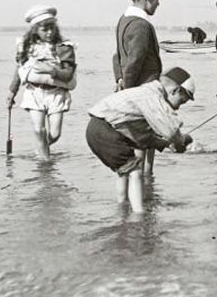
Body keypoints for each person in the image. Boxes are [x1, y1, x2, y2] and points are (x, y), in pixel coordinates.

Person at [86, 67, 202, 212]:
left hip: (98, 128)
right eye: (181, 102)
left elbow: (144, 137)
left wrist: (167, 144)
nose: (178, 108)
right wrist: (179, 143)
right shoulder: (153, 97)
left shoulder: (148, 91)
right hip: (105, 131)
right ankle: (138, 215)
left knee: (124, 172)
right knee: (134, 171)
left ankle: (122, 206)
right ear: (175, 91)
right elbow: (170, 129)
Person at [6, 6, 77, 158]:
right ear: (35, 30)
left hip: (56, 94)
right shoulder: (27, 47)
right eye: (45, 29)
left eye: (52, 28)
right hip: (34, 92)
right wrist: (12, 92)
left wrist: (51, 70)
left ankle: (41, 152)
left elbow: (68, 74)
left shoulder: (63, 47)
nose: (49, 33)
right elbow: (20, 71)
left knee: (55, 134)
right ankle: (44, 166)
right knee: (39, 130)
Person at [112, 0, 165, 173]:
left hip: (133, 92)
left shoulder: (123, 20)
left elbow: (117, 56)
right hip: (142, 95)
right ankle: (146, 188)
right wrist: (128, 92)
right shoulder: (141, 25)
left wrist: (120, 79)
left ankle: (147, 189)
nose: (159, 4)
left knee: (142, 145)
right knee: (143, 148)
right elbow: (134, 63)